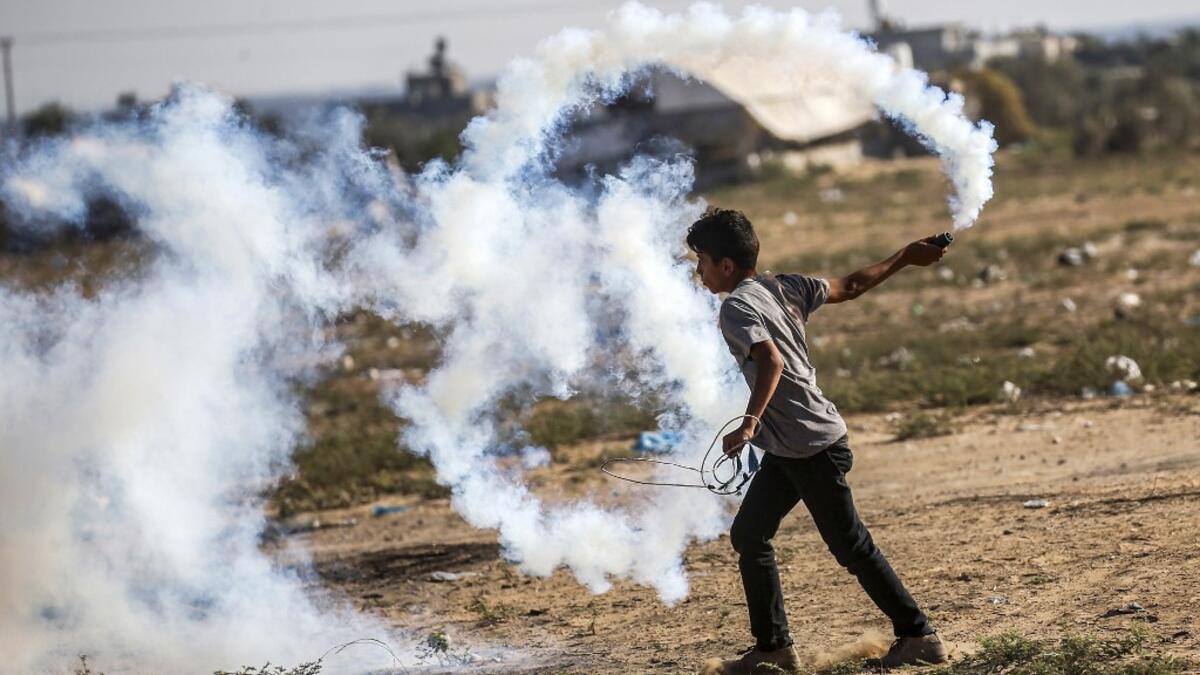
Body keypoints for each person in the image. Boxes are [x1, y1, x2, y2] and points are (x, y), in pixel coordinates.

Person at [688, 208, 949, 674]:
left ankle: (918, 636)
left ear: (726, 266)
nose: (699, 271)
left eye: (702, 260)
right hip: (791, 447)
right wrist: (906, 257)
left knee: (851, 545)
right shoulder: (783, 286)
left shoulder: (736, 307)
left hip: (811, 446)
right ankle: (774, 649)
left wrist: (749, 423)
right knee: (750, 534)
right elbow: (849, 286)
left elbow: (771, 363)